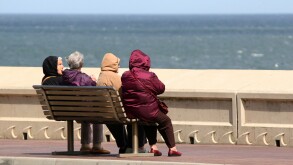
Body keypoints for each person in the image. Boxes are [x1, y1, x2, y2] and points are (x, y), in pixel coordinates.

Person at [121, 49, 182, 157]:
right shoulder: (149, 76)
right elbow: (161, 88)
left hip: (131, 111)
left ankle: (154, 147)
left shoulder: (125, 75)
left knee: (147, 118)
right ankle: (172, 149)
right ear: (145, 62)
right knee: (165, 121)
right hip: (148, 111)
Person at [96, 53, 146, 153]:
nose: (118, 66)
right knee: (139, 114)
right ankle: (138, 146)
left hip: (105, 114)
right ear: (112, 65)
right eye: (117, 64)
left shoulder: (100, 77)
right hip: (118, 113)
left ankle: (123, 145)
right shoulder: (116, 78)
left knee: (114, 118)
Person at [62, 51, 110, 154]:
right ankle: (97, 145)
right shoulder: (84, 78)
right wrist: (93, 80)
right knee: (96, 114)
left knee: (85, 111)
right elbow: (96, 89)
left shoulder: (63, 77)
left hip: (68, 111)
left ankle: (85, 145)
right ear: (81, 64)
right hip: (84, 112)